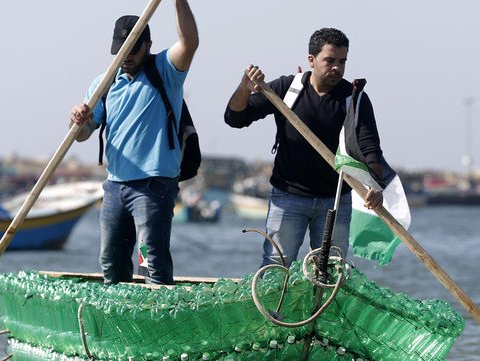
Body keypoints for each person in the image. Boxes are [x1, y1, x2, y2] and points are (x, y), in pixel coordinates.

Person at [224, 27, 384, 267]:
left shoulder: (354, 98)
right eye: (329, 60)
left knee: (331, 272)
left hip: (335, 200)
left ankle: (321, 305)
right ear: (311, 60)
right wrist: (244, 87)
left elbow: (370, 146)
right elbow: (235, 119)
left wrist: (374, 184)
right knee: (276, 267)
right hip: (288, 197)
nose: (336, 68)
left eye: (342, 61)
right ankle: (272, 306)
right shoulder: (286, 89)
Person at [69, 1, 198, 285]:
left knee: (151, 259)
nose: (125, 57)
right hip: (115, 185)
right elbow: (83, 133)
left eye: (132, 50)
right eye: (120, 51)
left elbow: (189, 43)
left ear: (147, 45)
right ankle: (115, 319)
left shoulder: (164, 70)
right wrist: (78, 120)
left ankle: (160, 316)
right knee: (111, 261)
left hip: (155, 185)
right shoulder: (104, 83)